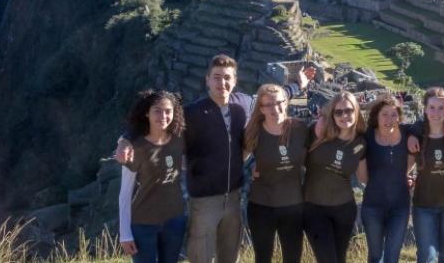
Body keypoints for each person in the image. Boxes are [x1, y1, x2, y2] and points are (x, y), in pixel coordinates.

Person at [117, 54, 254, 263]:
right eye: (216, 77)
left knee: (230, 256)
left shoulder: (243, 103)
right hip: (203, 200)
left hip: (233, 199)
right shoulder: (191, 113)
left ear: (235, 81)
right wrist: (125, 140)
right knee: (201, 257)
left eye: (227, 77)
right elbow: (156, 124)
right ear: (207, 79)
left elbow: (270, 102)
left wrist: (297, 85)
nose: (222, 83)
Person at [243, 84, 309, 263]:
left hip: (293, 206)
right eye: (269, 105)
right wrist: (250, 172)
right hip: (262, 205)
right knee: (263, 258)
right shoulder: (254, 132)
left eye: (279, 102)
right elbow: (236, 161)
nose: (275, 108)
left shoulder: (300, 129)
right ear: (261, 108)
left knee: (292, 258)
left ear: (286, 102)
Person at [118, 90, 187, 263]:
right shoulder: (135, 148)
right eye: (157, 110)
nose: (163, 116)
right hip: (143, 224)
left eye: (168, 111)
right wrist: (125, 234)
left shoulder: (179, 141)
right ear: (147, 113)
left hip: (175, 221)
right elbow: (125, 193)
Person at [303, 91, 368, 263]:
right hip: (314, 209)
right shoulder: (318, 134)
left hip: (344, 210)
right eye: (338, 112)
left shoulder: (361, 143)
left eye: (348, 110)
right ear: (332, 115)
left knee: (339, 259)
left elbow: (363, 178)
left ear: (356, 111)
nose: (344, 115)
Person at [410, 87, 444, 263]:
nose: (436, 112)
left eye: (441, 107)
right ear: (424, 109)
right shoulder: (416, 135)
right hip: (423, 206)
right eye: (432, 107)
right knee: (426, 257)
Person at [361, 94, 413, 263]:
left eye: (394, 114)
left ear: (399, 116)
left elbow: (410, 161)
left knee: (392, 257)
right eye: (384, 114)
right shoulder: (367, 137)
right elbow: (363, 178)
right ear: (376, 115)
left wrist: (403, 175)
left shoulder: (407, 133)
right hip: (373, 206)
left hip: (400, 207)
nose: (389, 119)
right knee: (375, 256)